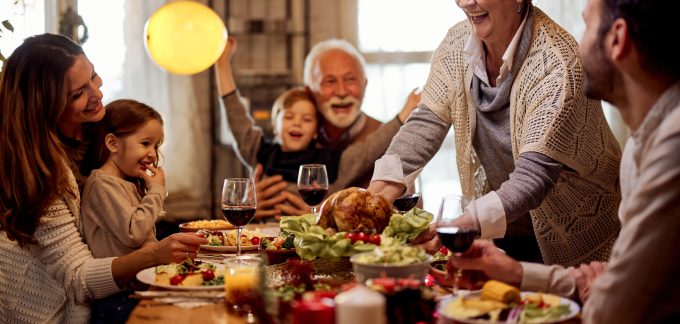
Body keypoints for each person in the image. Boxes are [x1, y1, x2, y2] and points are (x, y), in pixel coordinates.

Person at [447, 0, 680, 322]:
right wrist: (516, 273)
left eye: (586, 25)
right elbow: (616, 280)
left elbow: (613, 309)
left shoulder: (673, 148)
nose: (573, 45)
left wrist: (602, 290)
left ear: (617, 39)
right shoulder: (644, 142)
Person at [367, 0, 622, 265]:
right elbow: (426, 122)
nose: (465, 2)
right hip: (508, 233)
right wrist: (371, 200)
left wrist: (459, 227)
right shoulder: (457, 42)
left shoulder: (558, 63)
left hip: (581, 242)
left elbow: (533, 178)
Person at [0, 34, 207, 323]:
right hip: (58, 313)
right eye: (78, 93)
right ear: (45, 105)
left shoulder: (96, 134)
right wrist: (154, 255)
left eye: (94, 76)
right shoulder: (38, 173)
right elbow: (77, 278)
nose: (97, 94)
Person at [216, 38, 417, 219]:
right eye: (329, 81)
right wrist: (250, 206)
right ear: (309, 91)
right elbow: (239, 124)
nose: (341, 91)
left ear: (365, 85)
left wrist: (321, 217)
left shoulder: (390, 141)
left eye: (350, 79)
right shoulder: (279, 146)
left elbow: (409, 217)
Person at [78, 100, 167, 322]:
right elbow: (134, 233)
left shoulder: (124, 183)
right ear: (112, 143)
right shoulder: (102, 183)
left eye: (155, 146)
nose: (153, 154)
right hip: (120, 301)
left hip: (135, 292)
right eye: (145, 143)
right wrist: (156, 191)